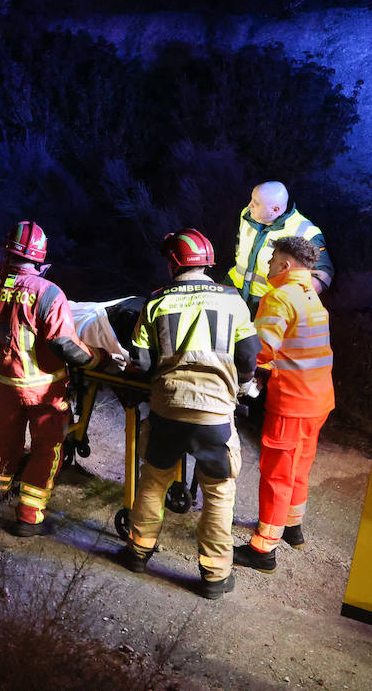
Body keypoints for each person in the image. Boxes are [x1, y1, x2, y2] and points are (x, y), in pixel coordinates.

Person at [123, 228, 260, 598]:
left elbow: (141, 360)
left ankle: (138, 551)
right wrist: (242, 384)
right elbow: (248, 356)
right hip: (214, 415)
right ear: (207, 264)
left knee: (153, 481)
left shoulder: (156, 303)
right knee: (218, 492)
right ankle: (215, 575)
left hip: (168, 407)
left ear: (173, 264)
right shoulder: (233, 301)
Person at [0, 221, 105, 536]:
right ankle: (29, 516)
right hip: (45, 391)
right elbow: (65, 344)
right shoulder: (48, 294)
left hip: (4, 387)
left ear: (7, 251)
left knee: (4, 439)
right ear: (40, 258)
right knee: (47, 448)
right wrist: (98, 357)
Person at [233, 236, 335, 572]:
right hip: (318, 399)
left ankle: (263, 548)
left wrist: (239, 368)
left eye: (272, 259)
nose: (268, 265)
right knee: (300, 466)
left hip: (292, 401)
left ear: (285, 265)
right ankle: (292, 528)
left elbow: (261, 350)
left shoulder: (279, 298)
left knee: (277, 472)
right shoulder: (312, 297)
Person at [227, 181, 333, 315]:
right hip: (234, 292)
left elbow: (323, 274)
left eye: (256, 202)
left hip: (267, 305)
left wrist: (286, 302)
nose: (249, 205)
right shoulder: (247, 215)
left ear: (275, 209)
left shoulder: (304, 232)